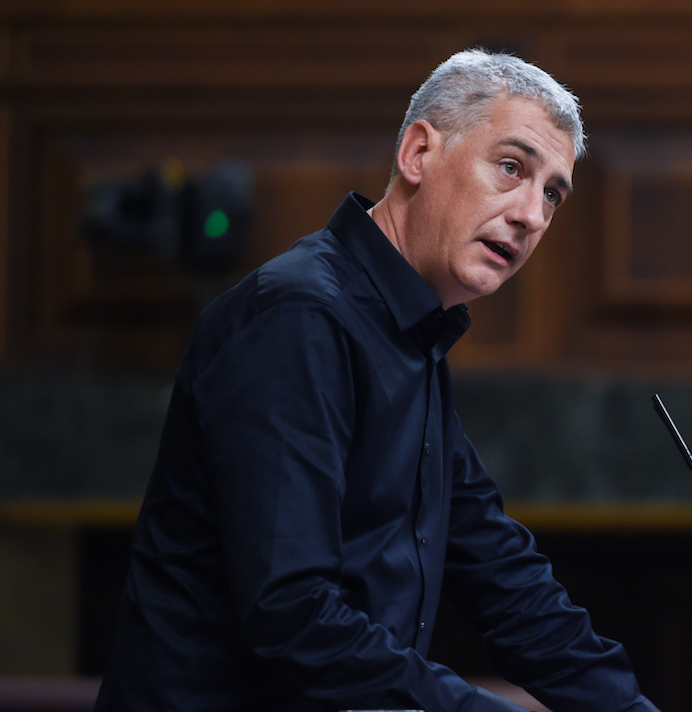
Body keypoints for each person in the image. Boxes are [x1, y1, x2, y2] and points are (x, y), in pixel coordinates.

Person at [95, 49, 659, 712]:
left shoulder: (411, 334)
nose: (532, 214)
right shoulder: (298, 316)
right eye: (511, 167)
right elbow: (291, 615)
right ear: (418, 153)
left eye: (552, 193)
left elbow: (497, 570)